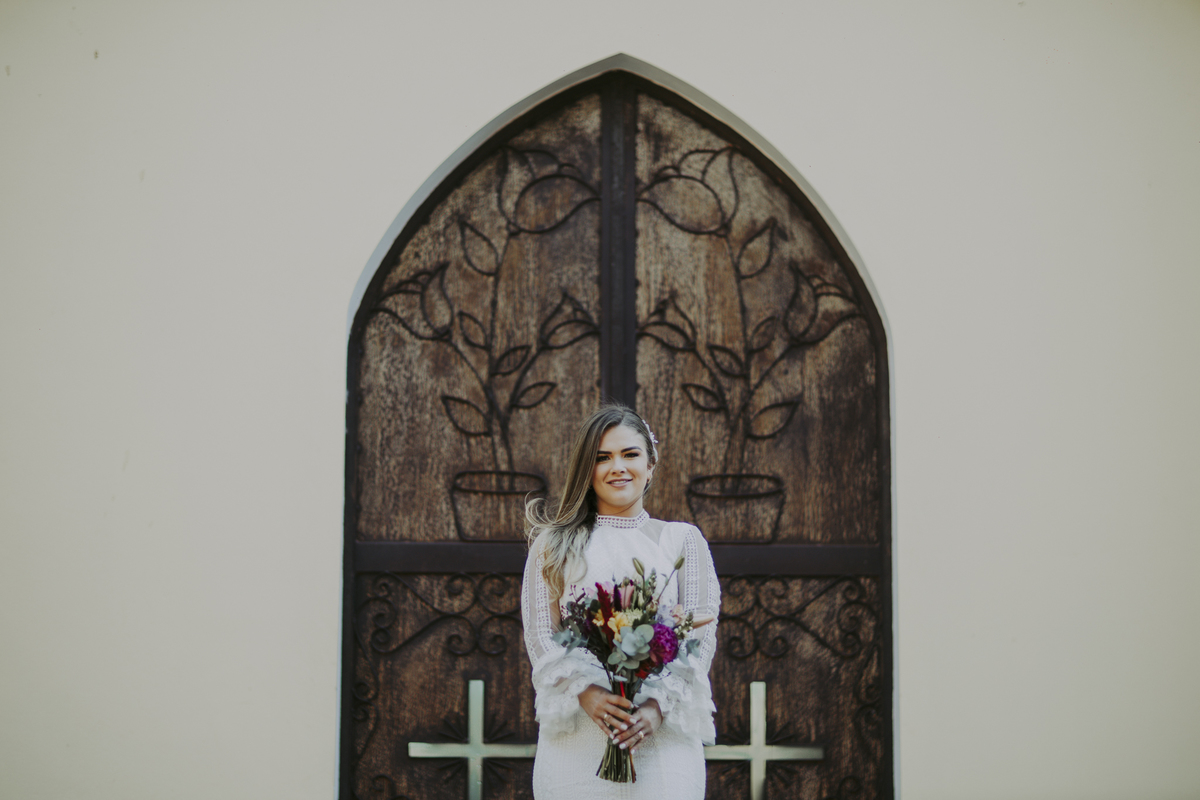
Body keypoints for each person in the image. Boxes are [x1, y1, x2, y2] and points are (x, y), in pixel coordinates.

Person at [521, 404, 720, 799]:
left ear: (650, 465)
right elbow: (542, 634)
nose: (618, 467)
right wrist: (586, 691)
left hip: (661, 736)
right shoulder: (553, 545)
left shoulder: (682, 540)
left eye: (630, 454)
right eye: (602, 458)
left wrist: (656, 707)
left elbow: (701, 633)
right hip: (579, 731)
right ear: (587, 468)